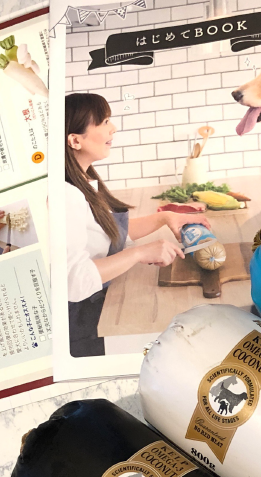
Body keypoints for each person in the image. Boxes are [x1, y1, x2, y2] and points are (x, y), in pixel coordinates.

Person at [65, 92, 209, 357]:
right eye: (104, 122)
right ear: (75, 140)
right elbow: (75, 281)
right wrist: (139, 253)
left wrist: (165, 218)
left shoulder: (82, 181)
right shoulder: (67, 196)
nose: (113, 128)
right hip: (83, 322)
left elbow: (109, 232)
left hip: (99, 304)